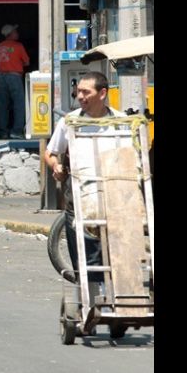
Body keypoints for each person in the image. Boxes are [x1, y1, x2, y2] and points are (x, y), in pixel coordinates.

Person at [45, 71, 125, 282]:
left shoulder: (122, 121)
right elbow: (50, 153)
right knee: (85, 260)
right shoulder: (70, 121)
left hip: (114, 198)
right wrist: (57, 166)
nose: (80, 96)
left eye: (85, 92)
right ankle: (89, 304)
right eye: (78, 91)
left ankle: (115, 301)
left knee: (117, 258)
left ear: (102, 93)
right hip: (80, 199)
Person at [0, 24, 30, 139]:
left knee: (3, 105)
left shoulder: (0, 46)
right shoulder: (18, 46)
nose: (18, 33)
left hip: (1, 77)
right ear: (10, 34)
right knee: (18, 104)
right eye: (15, 31)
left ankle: (3, 131)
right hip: (14, 77)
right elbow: (27, 62)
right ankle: (16, 131)